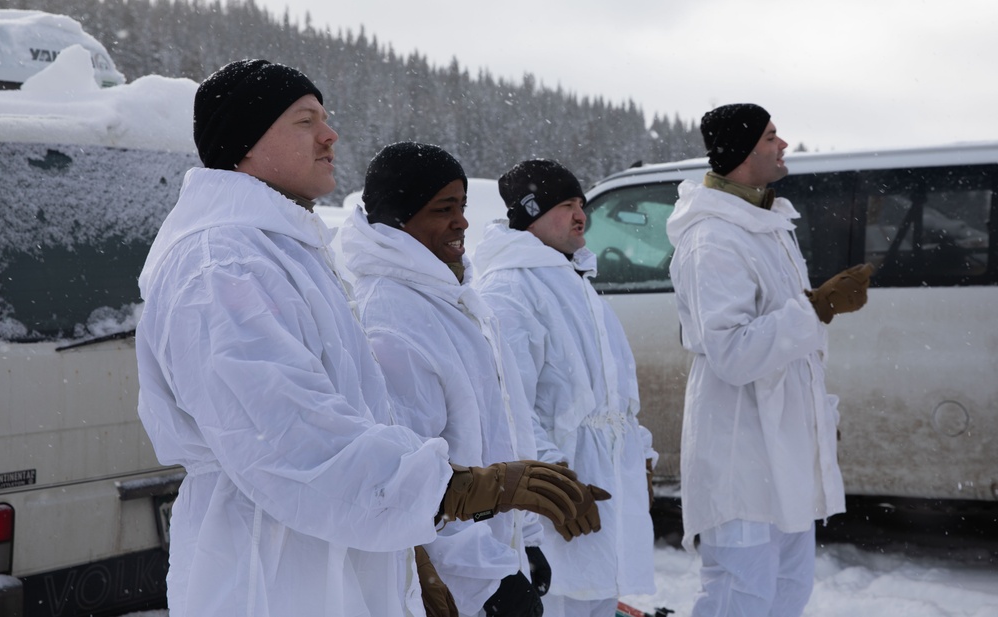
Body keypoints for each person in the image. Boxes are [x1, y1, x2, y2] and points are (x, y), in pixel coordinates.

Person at [135, 59, 603, 617]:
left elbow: (357, 423)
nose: (331, 135)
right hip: (271, 571)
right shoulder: (220, 266)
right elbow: (290, 443)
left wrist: (414, 560)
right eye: (306, 121)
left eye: (326, 118)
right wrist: (458, 489)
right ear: (246, 142)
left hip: (329, 556)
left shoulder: (281, 250)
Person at [342, 141, 584, 616]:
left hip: (490, 554)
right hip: (452, 582)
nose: (463, 222)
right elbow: (414, 479)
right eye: (443, 209)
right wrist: (485, 581)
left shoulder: (452, 298)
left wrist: (524, 542)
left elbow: (502, 429)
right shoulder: (391, 320)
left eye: (463, 206)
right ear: (399, 219)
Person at [665, 103, 873, 617]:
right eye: (771, 137)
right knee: (741, 596)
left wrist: (816, 416)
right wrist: (816, 307)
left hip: (783, 448)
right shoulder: (711, 238)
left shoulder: (767, 223)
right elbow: (734, 354)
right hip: (741, 454)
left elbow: (793, 346)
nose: (783, 145)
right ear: (740, 153)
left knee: (787, 591)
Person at [473, 159, 658, 617]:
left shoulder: (574, 282)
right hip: (558, 501)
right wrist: (554, 480)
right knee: (559, 602)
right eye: (565, 205)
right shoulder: (510, 287)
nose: (581, 216)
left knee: (595, 598)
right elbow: (507, 402)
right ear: (531, 214)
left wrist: (642, 453)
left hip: (598, 490)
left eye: (581, 204)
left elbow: (615, 396)